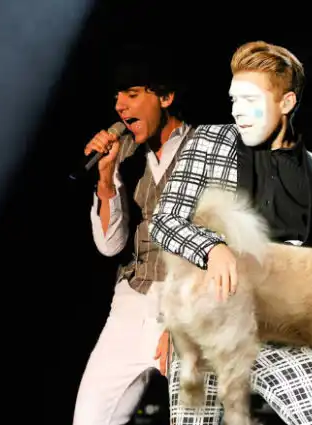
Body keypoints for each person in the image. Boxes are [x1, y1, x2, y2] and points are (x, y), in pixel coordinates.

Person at [149, 40, 312, 425]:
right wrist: (213, 248)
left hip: (286, 336)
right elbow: (165, 220)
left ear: (286, 102)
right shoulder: (208, 144)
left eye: (250, 100)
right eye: (233, 100)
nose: (237, 111)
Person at [72, 52, 195, 425]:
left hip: (189, 305)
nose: (119, 106)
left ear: (165, 97)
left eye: (131, 94)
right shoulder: (124, 152)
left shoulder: (205, 150)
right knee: (90, 419)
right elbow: (110, 245)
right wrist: (106, 177)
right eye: (116, 97)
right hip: (131, 302)